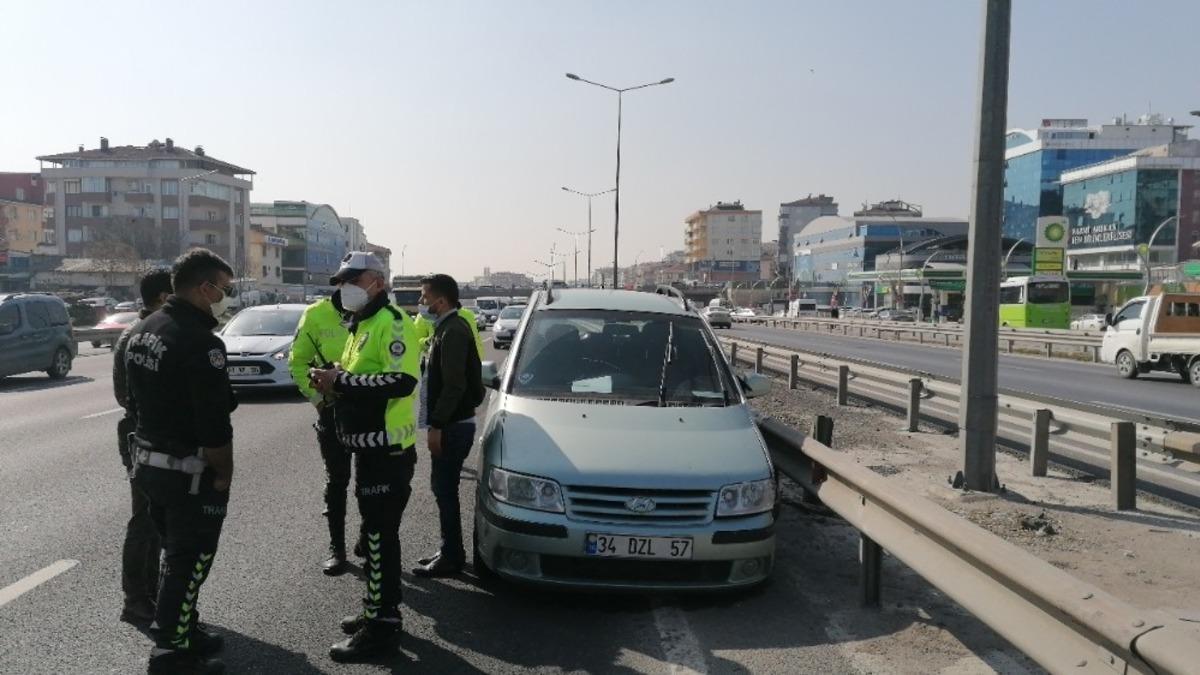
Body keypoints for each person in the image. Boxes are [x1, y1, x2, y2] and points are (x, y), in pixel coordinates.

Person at [125, 248, 237, 674]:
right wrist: (224, 473)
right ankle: (170, 654)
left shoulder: (146, 328)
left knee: (174, 553)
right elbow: (214, 423)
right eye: (224, 289)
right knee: (188, 559)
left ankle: (185, 629)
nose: (227, 297)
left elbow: (134, 399)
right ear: (204, 287)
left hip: (150, 464)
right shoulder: (201, 342)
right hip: (188, 470)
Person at [308, 252, 420, 662]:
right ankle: (376, 609)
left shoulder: (391, 323)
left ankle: (382, 626)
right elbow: (360, 380)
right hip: (369, 448)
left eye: (351, 280)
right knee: (375, 536)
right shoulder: (362, 324)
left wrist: (345, 380)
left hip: (388, 449)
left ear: (376, 281)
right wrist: (334, 377)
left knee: (378, 537)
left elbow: (402, 380)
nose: (344, 289)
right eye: (340, 282)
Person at [412, 274, 485, 578]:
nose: (421, 303)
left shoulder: (453, 331)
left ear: (440, 301)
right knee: (443, 489)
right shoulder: (445, 328)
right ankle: (449, 549)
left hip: (453, 425)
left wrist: (437, 425)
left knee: (444, 489)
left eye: (424, 297)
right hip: (452, 423)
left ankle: (452, 556)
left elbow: (454, 385)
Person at [113, 269, 173, 627]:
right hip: (143, 434)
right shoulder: (140, 336)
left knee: (157, 518)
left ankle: (152, 592)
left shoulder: (151, 330)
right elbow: (128, 395)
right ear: (165, 297)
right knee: (146, 519)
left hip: (148, 433)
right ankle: (137, 599)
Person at [288, 291, 355, 576]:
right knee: (337, 479)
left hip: (374, 411)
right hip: (332, 410)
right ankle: (337, 547)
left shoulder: (381, 314)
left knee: (372, 481)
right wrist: (318, 401)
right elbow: (297, 362)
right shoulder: (315, 314)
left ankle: (368, 537)